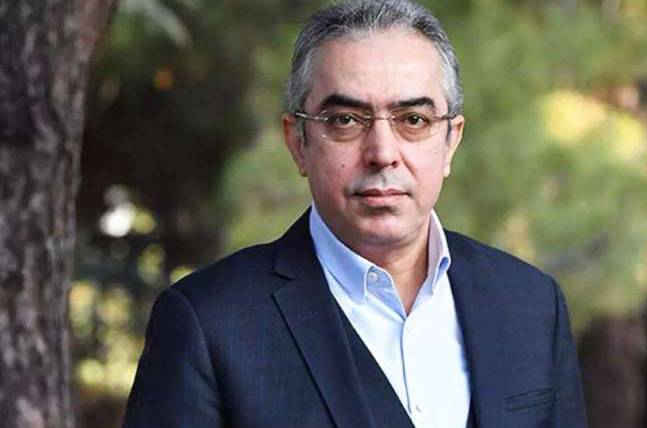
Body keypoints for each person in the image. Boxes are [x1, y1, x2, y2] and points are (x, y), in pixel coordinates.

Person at [122, 1, 587, 427]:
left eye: (413, 120)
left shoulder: (531, 305)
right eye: (345, 121)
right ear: (297, 143)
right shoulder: (210, 325)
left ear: (451, 141)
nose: (382, 153)